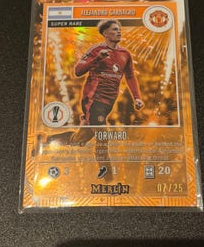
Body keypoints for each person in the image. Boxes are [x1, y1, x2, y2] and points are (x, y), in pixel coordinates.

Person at [35, 19, 144, 179]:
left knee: (80, 139)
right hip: (93, 100)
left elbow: (130, 76)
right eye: (115, 29)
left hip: (108, 103)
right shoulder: (96, 50)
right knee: (103, 137)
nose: (119, 31)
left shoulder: (125, 54)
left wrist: (137, 98)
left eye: (119, 29)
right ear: (105, 33)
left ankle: (46, 140)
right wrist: (97, 58)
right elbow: (78, 71)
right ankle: (108, 179)